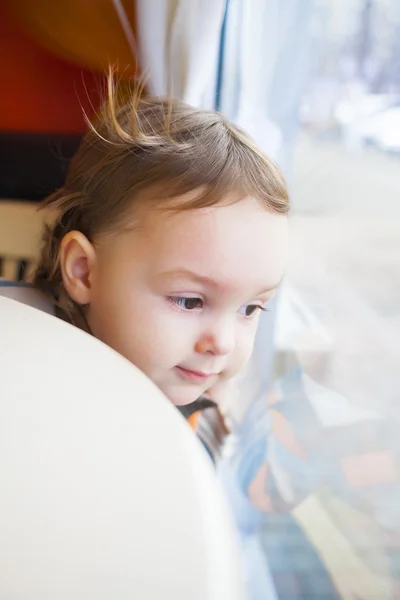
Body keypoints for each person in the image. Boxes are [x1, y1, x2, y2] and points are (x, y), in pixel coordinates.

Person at [2, 75, 289, 411]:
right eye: (189, 302)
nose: (223, 344)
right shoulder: (24, 378)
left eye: (249, 309)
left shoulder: (191, 397)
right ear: (83, 272)